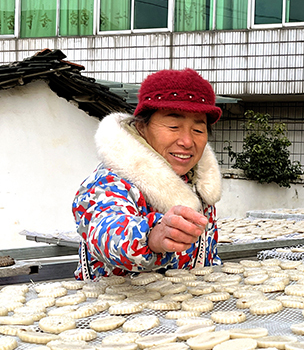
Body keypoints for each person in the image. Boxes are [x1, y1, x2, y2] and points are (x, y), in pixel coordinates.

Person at [72, 68, 223, 280]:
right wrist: (152, 235)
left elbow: (208, 256)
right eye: (173, 126)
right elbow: (106, 230)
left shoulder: (198, 184)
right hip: (117, 299)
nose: (187, 142)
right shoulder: (109, 182)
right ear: (142, 127)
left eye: (198, 130)